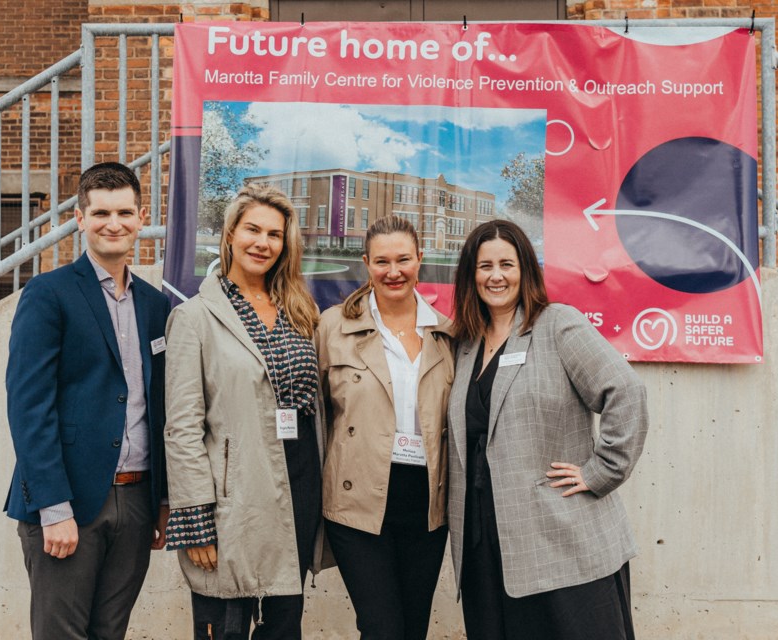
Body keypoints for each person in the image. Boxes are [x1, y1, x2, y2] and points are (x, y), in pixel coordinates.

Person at [447, 219, 649, 640]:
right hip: (486, 539)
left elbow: (625, 391)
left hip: (561, 535)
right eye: (485, 266)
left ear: (526, 270)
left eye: (507, 263)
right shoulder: (465, 344)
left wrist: (601, 471)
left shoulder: (557, 324)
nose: (496, 276)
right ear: (471, 274)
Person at [4, 162, 171, 640]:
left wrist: (160, 500)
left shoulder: (156, 306)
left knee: (109, 634)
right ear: (80, 218)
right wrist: (54, 508)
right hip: (70, 503)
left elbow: (156, 407)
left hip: (136, 500)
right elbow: (28, 405)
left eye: (123, 212)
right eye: (100, 213)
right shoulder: (48, 293)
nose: (112, 223)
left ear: (142, 217)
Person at [163, 184, 325, 639]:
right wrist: (194, 518)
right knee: (225, 627)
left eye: (275, 234)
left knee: (283, 627)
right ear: (231, 233)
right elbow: (181, 428)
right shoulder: (194, 317)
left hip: (298, 480)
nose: (263, 242)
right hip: (233, 494)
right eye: (253, 229)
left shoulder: (300, 311)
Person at [316, 215, 455, 640]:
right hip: (357, 499)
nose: (393, 271)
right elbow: (317, 416)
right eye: (381, 261)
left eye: (403, 260)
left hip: (427, 501)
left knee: (412, 629)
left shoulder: (448, 332)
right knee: (382, 628)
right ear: (365, 263)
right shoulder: (332, 326)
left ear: (420, 260)